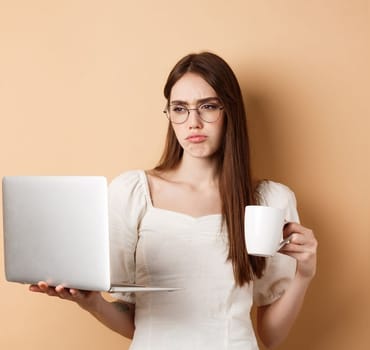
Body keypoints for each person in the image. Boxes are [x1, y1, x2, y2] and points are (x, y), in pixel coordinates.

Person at [29, 52, 318, 349]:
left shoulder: (269, 201)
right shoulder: (132, 192)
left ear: (230, 111)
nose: (193, 122)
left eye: (208, 107)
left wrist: (304, 275)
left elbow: (270, 335)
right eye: (180, 108)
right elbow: (134, 321)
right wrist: (93, 303)